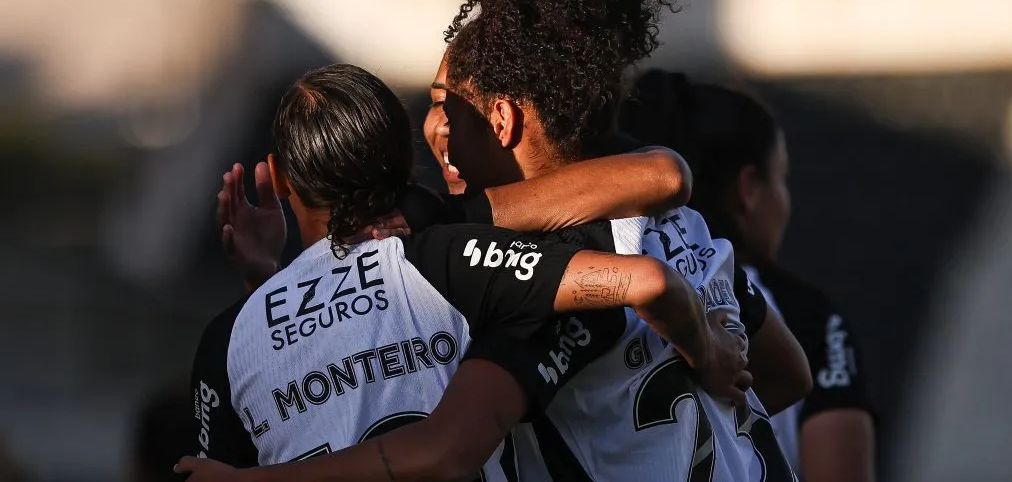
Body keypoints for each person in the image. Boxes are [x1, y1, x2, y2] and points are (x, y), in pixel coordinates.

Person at [178, 0, 808, 482]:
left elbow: (440, 441)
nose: (437, 129)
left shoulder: (530, 270)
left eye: (445, 105)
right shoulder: (682, 227)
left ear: (502, 119)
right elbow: (787, 376)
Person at [181, 63, 744, 477]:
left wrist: (265, 284)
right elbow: (646, 277)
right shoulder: (446, 258)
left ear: (281, 179)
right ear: (406, 159)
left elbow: (317, 361)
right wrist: (710, 354)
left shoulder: (228, 338)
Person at [620, 70, 877, 482]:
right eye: (782, 178)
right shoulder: (808, 317)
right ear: (749, 188)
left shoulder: (597, 281)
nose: (785, 201)